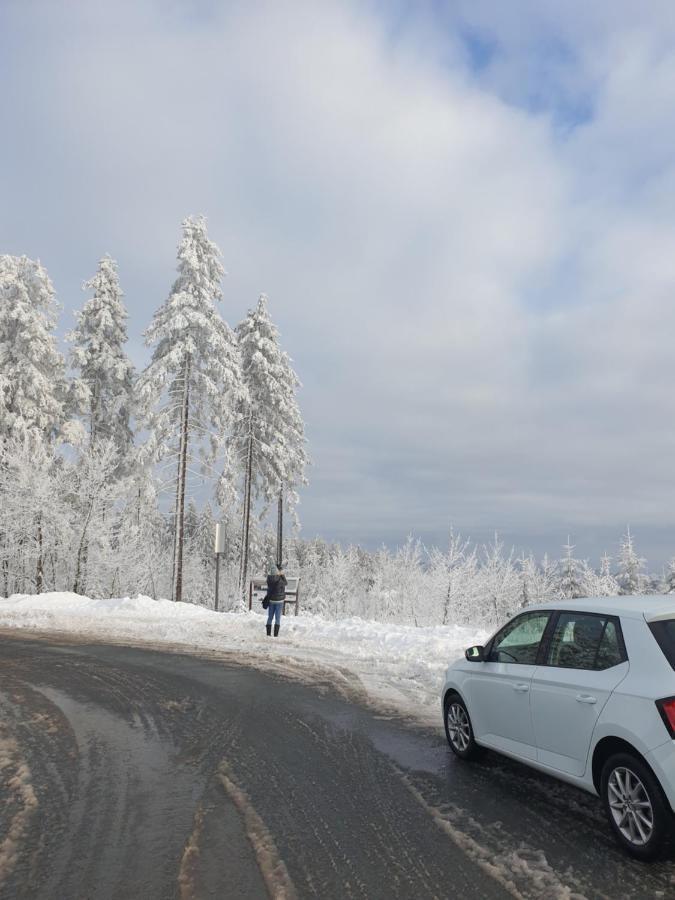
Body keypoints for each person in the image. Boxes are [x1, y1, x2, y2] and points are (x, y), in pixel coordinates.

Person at [265, 562, 287, 637]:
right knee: (277, 618)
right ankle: (275, 635)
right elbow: (286, 583)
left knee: (270, 617)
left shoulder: (269, 579)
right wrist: (281, 574)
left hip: (271, 601)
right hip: (279, 601)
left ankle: (268, 634)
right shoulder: (280, 580)